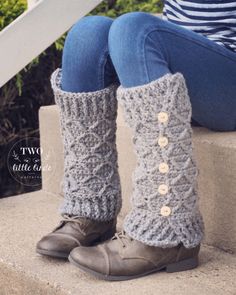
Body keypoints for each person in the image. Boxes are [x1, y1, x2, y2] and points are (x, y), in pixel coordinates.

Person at [36, 0, 236, 281]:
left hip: (228, 76)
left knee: (134, 30)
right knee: (87, 34)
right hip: (182, 59)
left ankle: (169, 231)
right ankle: (93, 208)